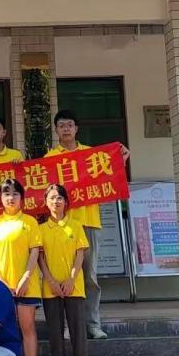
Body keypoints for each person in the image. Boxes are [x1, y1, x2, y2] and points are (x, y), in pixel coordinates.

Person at [46, 108, 130, 340]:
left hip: (89, 221)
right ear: (56, 130)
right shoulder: (49, 159)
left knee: (89, 276)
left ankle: (93, 324)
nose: (66, 129)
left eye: (69, 125)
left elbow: (111, 175)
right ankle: (68, 326)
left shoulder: (92, 155)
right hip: (61, 224)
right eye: (61, 125)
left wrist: (121, 159)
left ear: (76, 129)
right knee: (64, 276)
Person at [0, 179, 43, 356]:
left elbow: (34, 251)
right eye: (6, 193)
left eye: (15, 194)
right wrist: (1, 282)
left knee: (27, 328)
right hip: (2, 288)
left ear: (22, 198)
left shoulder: (30, 222)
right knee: (7, 331)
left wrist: (25, 277)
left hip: (26, 285)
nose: (11, 198)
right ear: (0, 198)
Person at [39, 183, 90, 356]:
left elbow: (80, 254)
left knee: (78, 331)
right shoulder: (41, 229)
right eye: (52, 198)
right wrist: (51, 281)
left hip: (74, 286)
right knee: (55, 331)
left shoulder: (75, 226)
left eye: (59, 197)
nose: (56, 201)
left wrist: (71, 279)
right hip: (50, 288)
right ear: (46, 202)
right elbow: (40, 258)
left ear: (66, 202)